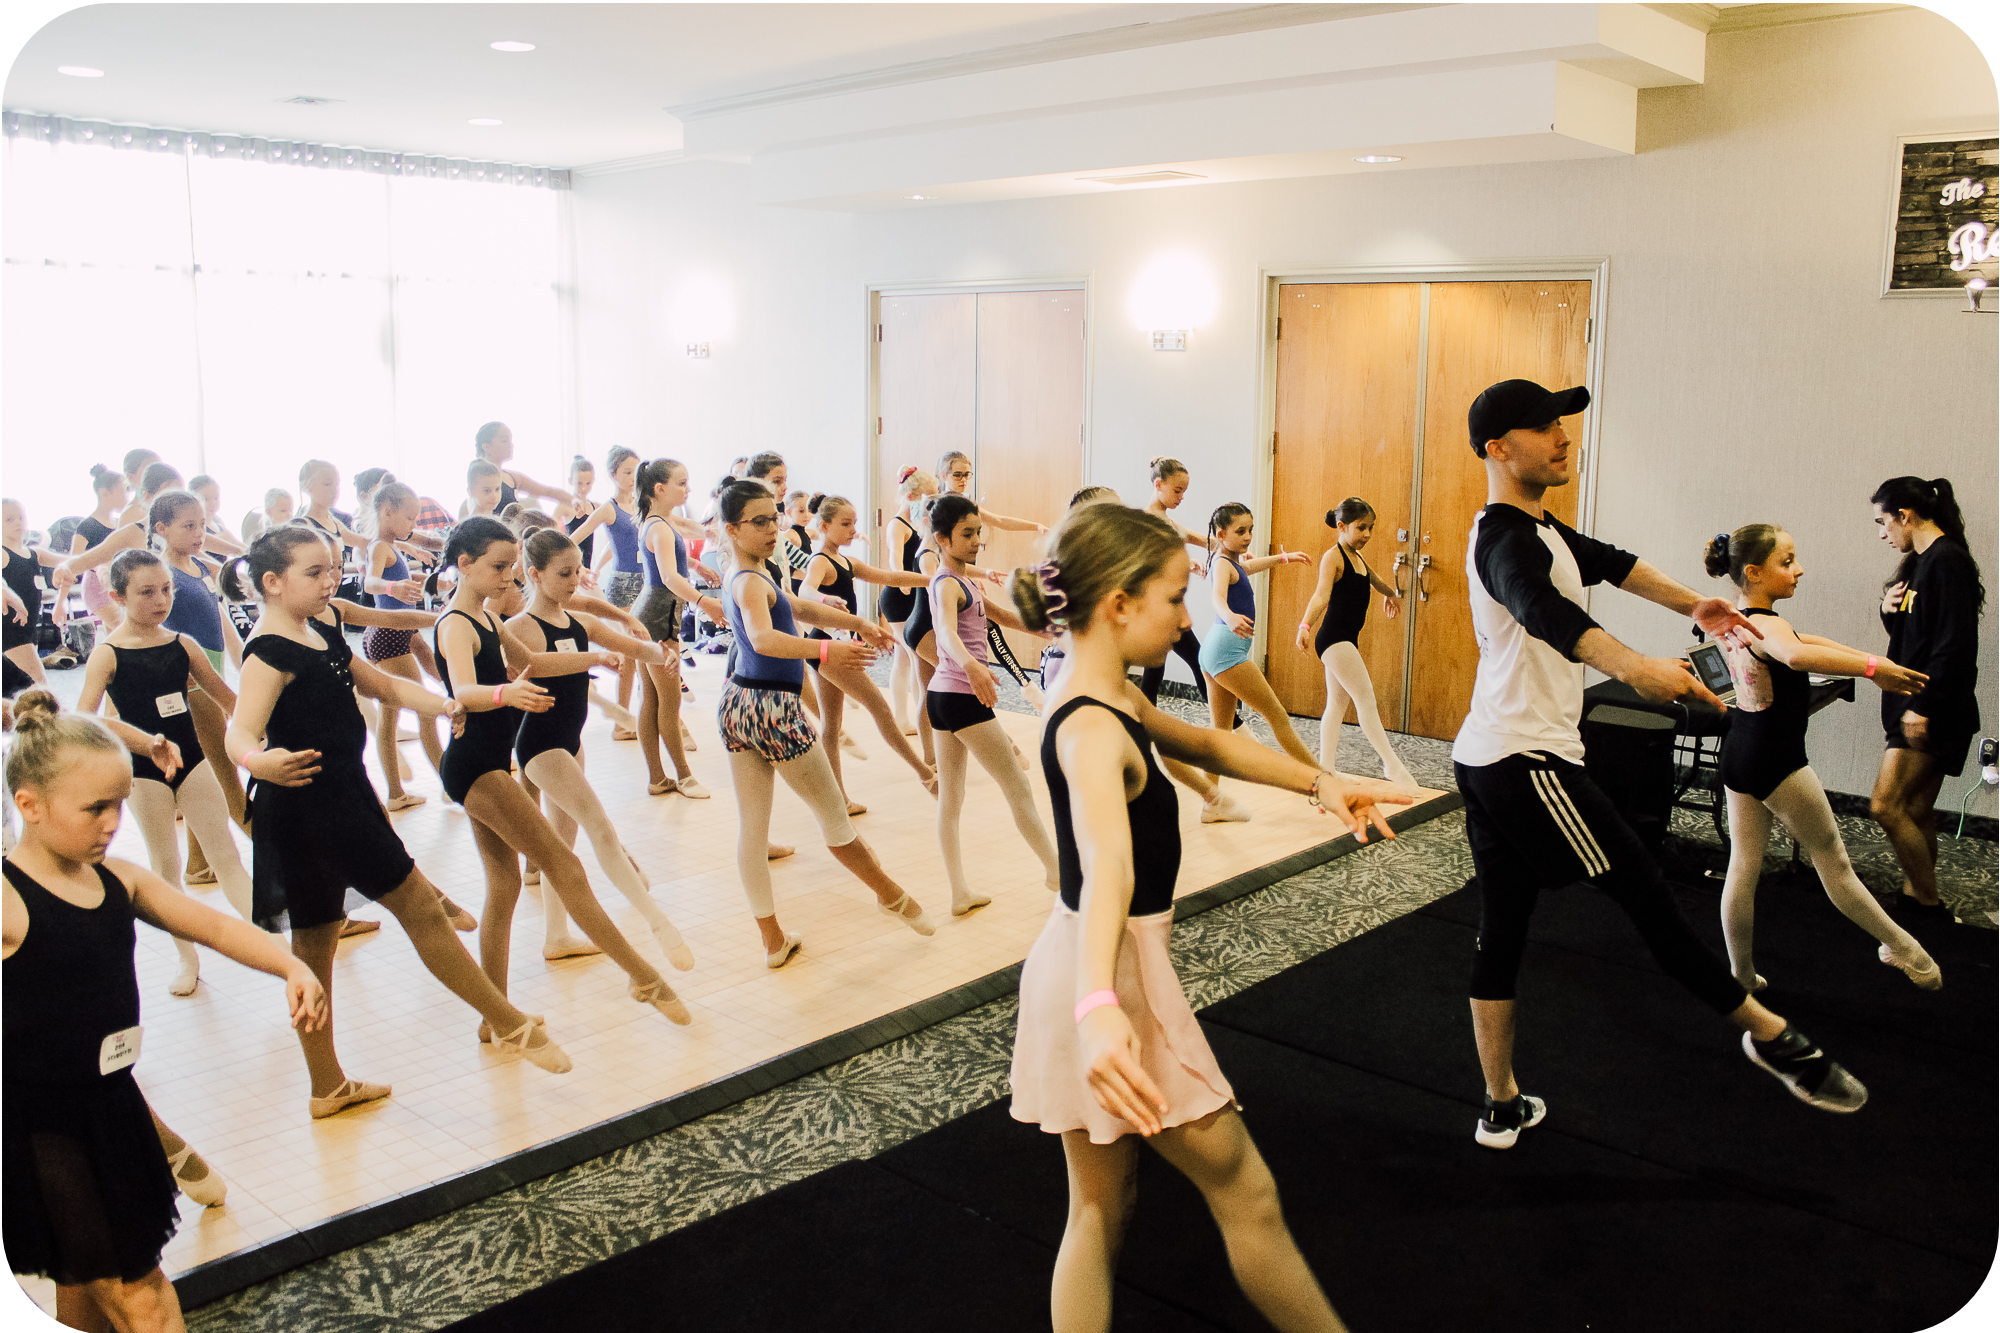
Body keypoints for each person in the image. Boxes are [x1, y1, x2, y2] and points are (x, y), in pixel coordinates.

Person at [1007, 502, 1409, 1333]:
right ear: (1117, 603)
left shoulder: (1097, 690)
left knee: (1097, 1207)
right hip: (1108, 975)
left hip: (1079, 966)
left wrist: (1320, 783)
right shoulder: (1089, 730)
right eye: (1172, 598)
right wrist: (1098, 1009)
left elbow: (1209, 745)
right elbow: (1107, 865)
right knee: (1246, 1190)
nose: (1186, 619)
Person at [1453, 379, 1866, 1149]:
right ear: (1498, 449)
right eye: (1544, 428)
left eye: (1562, 423)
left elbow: (1616, 563)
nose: (1563, 437)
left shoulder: (1539, 527)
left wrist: (1695, 607)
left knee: (1502, 932)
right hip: (1525, 760)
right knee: (1648, 897)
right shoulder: (1502, 541)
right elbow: (1546, 611)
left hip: (1489, 753)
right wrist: (1636, 666)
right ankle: (1770, 1035)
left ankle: (1500, 1103)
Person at [3, 689, 329, 1333]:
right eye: (95, 807)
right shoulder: (8, 899)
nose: (112, 822)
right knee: (139, 1292)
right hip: (36, 1124)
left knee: (85, 1288)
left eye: (120, 804)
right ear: (29, 807)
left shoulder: (118, 879)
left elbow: (211, 925)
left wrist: (293, 966)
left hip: (110, 1104)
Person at [222, 525, 573, 1115]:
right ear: (272, 583)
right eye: (314, 573)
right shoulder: (266, 652)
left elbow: (380, 683)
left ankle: (503, 1020)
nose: (330, 580)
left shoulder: (324, 622)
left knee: (417, 907)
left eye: (332, 569)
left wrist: (444, 703)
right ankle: (328, 1084)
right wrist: (260, 762)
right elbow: (239, 730)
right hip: (301, 810)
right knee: (315, 952)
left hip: (349, 798)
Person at [433, 517, 692, 1025]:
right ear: (463, 565)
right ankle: (643, 976)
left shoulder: (489, 620)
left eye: (511, 567)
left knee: (504, 888)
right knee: (565, 865)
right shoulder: (455, 624)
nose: (509, 577)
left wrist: (602, 652)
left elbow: (535, 661)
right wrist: (507, 694)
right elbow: (461, 691)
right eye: (499, 567)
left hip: (486, 764)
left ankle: (495, 1018)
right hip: (474, 767)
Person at [1702, 525, 1939, 990]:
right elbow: (1793, 654)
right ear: (1754, 571)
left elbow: (1805, 639)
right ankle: (1911, 953)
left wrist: (1877, 662)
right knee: (1834, 861)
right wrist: (1874, 670)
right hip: (1776, 761)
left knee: (1743, 864)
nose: (1799, 569)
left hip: (1740, 753)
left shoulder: (1734, 617)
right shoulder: (1767, 627)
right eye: (1787, 561)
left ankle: (1742, 976)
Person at [714, 480, 936, 967]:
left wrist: (856, 624)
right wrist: (826, 647)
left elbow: (792, 608)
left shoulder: (749, 572)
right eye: (759, 522)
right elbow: (764, 637)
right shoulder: (750, 580)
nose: (773, 528)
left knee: (753, 828)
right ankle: (892, 896)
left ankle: (772, 939)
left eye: (774, 518)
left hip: (738, 704)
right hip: (773, 711)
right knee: (834, 818)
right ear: (731, 529)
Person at [511, 527, 697, 966]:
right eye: (563, 573)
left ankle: (557, 937)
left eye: (577, 570)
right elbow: (528, 665)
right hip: (539, 747)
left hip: (569, 744)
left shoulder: (581, 623)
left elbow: (633, 647)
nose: (574, 580)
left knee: (562, 846)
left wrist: (662, 654)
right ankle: (657, 921)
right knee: (601, 830)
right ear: (535, 575)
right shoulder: (520, 627)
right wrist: (592, 659)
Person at [75, 549, 257, 996]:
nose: (161, 600)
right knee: (165, 867)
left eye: (166, 589)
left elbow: (226, 697)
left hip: (192, 763)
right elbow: (84, 718)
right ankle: (186, 958)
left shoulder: (182, 645)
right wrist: (143, 743)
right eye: (146, 592)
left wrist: (258, 734)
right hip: (141, 772)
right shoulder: (108, 653)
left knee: (228, 858)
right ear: (118, 596)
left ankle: (274, 942)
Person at [926, 494, 1061, 914]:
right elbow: (946, 633)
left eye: (978, 532)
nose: (976, 541)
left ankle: (959, 893)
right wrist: (972, 666)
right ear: (942, 539)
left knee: (951, 798)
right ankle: (1057, 873)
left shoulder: (966, 581)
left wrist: (1050, 631)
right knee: (1017, 785)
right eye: (966, 534)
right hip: (960, 697)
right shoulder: (947, 583)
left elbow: (1000, 617)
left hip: (942, 697)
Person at [1869, 475, 1984, 923]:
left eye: (1884, 522)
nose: (1882, 533)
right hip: (1917, 703)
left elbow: (1955, 645)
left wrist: (1924, 707)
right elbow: (1917, 638)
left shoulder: (1946, 562)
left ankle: (1929, 901)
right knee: (1914, 808)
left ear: (1906, 515)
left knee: (1884, 804)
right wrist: (1887, 612)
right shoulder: (1919, 563)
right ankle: (1915, 897)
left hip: (1932, 708)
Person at [797, 494, 936, 793]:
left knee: (831, 727)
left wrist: (932, 579)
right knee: (880, 710)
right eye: (845, 524)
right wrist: (825, 598)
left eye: (854, 523)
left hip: (831, 647)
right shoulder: (820, 561)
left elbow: (888, 575)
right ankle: (925, 773)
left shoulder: (846, 562)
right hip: (829, 648)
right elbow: (805, 590)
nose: (852, 529)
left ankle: (838, 798)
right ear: (824, 525)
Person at [1295, 498, 1417, 790]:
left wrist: (1390, 593)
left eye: (1371, 528)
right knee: (1366, 699)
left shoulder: (1358, 558)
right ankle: (1392, 766)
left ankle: (1326, 770)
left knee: (1336, 704)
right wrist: (1304, 625)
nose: (1367, 534)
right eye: (1361, 527)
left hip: (1346, 639)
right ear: (1341, 526)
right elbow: (1320, 596)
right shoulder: (1333, 557)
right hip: (1334, 639)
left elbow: (1376, 581)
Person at [631, 459, 729, 797]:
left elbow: (685, 529)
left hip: (652, 615)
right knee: (667, 703)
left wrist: (699, 559)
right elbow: (670, 577)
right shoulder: (657, 526)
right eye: (682, 483)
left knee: (652, 700)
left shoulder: (660, 521)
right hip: (657, 618)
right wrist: (706, 603)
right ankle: (684, 776)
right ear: (659, 489)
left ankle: (658, 778)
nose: (688, 489)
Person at [1199, 503, 1316, 767]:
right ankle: (1319, 778)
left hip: (1215, 651)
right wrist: (1230, 616)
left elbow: (1247, 570)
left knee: (1221, 734)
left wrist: (1283, 558)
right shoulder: (1221, 565)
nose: (1248, 536)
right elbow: (1217, 597)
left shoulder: (1230, 561)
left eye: (1250, 530)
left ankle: (1211, 801)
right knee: (1277, 715)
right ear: (1221, 534)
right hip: (1226, 652)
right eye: (1240, 531)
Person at [363, 483, 443, 810]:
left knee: (390, 717)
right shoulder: (379, 548)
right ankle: (451, 784)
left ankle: (396, 793)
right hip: (389, 638)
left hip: (397, 633)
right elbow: (370, 583)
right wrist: (392, 586)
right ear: (387, 512)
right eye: (410, 517)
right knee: (423, 711)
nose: (414, 524)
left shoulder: (393, 546)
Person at [569, 447, 646, 729]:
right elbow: (574, 538)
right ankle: (622, 721)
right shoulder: (608, 508)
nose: (632, 478)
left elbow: (619, 547)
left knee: (644, 652)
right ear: (613, 475)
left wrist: (597, 565)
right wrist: (578, 568)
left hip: (646, 582)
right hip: (623, 585)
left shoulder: (642, 505)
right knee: (630, 653)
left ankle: (635, 716)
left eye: (636, 472)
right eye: (627, 472)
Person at [1138, 457, 1216, 708]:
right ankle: (1231, 725)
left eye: (1184, 491)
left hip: (1163, 607)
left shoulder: (1164, 517)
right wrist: (1185, 563)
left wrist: (1229, 548)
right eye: (1177, 490)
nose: (1181, 497)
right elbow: (1149, 565)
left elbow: (1194, 537)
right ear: (1159, 484)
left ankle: (1144, 728)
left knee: (1155, 668)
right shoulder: (1150, 519)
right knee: (1198, 661)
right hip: (1157, 608)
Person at [880, 467, 937, 738]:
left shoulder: (914, 524)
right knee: (914, 657)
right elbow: (894, 558)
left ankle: (908, 717)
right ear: (913, 496)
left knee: (905, 659)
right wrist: (903, 584)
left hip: (911, 593)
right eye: (930, 497)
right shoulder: (897, 525)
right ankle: (910, 715)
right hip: (898, 595)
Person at [3, 498, 72, 690]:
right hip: (10, 632)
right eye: (9, 520)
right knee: (42, 690)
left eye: (21, 518)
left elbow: (71, 563)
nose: (18, 523)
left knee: (22, 691)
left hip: (29, 629)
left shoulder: (35, 553)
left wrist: (61, 602)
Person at [471, 421, 578, 515]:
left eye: (510, 440)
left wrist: (576, 502)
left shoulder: (513, 478)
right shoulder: (476, 475)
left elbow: (548, 492)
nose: (511, 445)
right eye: (504, 440)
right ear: (487, 447)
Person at [72, 463, 129, 630]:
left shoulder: (119, 524)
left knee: (116, 640)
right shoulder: (87, 526)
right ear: (105, 493)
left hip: (117, 584)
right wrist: (60, 601)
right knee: (127, 631)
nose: (127, 496)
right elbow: (72, 563)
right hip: (97, 588)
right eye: (123, 491)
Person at [186, 476, 244, 558]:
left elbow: (241, 547)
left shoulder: (219, 523)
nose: (213, 503)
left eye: (215, 498)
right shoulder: (194, 529)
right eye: (206, 499)